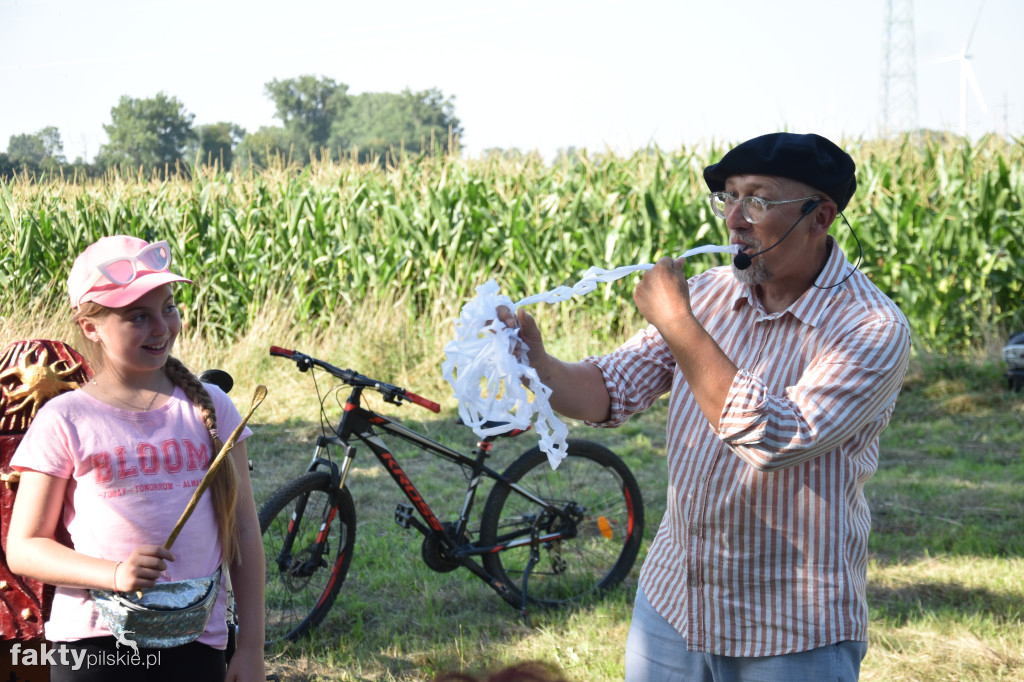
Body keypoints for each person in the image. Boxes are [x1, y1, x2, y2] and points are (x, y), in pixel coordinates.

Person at [500, 132, 911, 681]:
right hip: (675, 604)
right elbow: (612, 388)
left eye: (758, 200)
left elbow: (773, 437)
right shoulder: (713, 293)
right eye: (728, 198)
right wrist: (539, 362)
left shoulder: (871, 327)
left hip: (789, 628)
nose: (735, 219)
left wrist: (676, 323)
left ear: (821, 217)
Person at [6, 235, 266, 681]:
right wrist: (114, 573)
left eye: (168, 307)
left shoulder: (213, 408)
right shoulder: (65, 418)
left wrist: (252, 649)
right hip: (92, 646)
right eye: (137, 317)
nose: (161, 327)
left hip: (196, 639)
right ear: (90, 327)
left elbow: (243, 530)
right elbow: (25, 548)